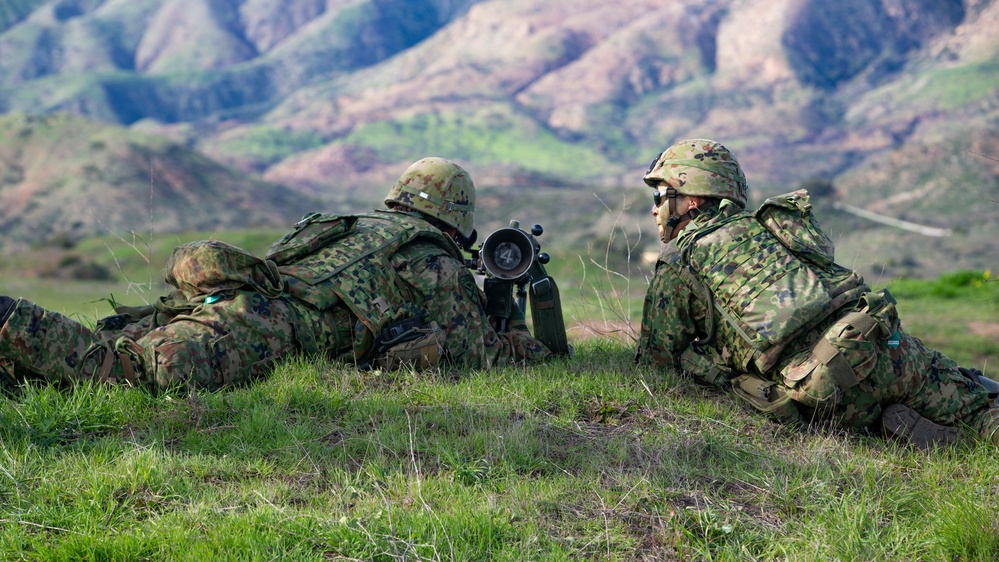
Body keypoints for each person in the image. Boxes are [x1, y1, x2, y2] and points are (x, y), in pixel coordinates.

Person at [0, 157, 554, 392]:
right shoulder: (433, 259)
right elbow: (480, 356)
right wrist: (524, 340)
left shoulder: (350, 224)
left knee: (113, 345)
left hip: (231, 300)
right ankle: (8, 318)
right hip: (266, 327)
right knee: (132, 375)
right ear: (457, 219)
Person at [635, 138, 999, 448]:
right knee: (982, 409)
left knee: (843, 405)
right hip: (883, 346)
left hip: (826, 388)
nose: (655, 209)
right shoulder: (772, 224)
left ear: (692, 200)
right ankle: (957, 428)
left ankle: (881, 424)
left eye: (662, 195)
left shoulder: (680, 264)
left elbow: (658, 361)